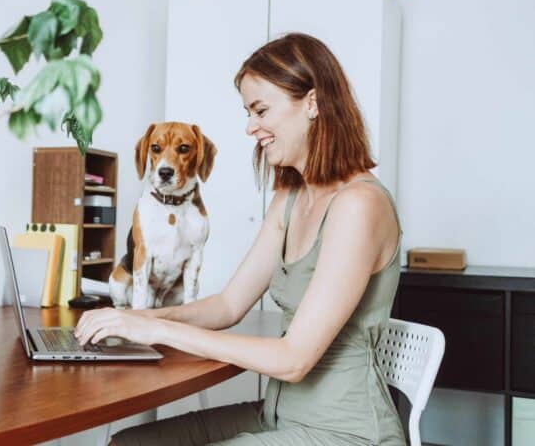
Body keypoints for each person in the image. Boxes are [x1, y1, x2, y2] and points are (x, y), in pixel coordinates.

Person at [74, 32, 405, 446]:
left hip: (346, 432)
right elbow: (228, 305)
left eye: (261, 110)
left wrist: (158, 332)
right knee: (128, 443)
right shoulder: (290, 197)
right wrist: (134, 320)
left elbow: (294, 359)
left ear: (314, 103)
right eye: (248, 112)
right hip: (277, 416)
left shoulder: (359, 205)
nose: (251, 127)